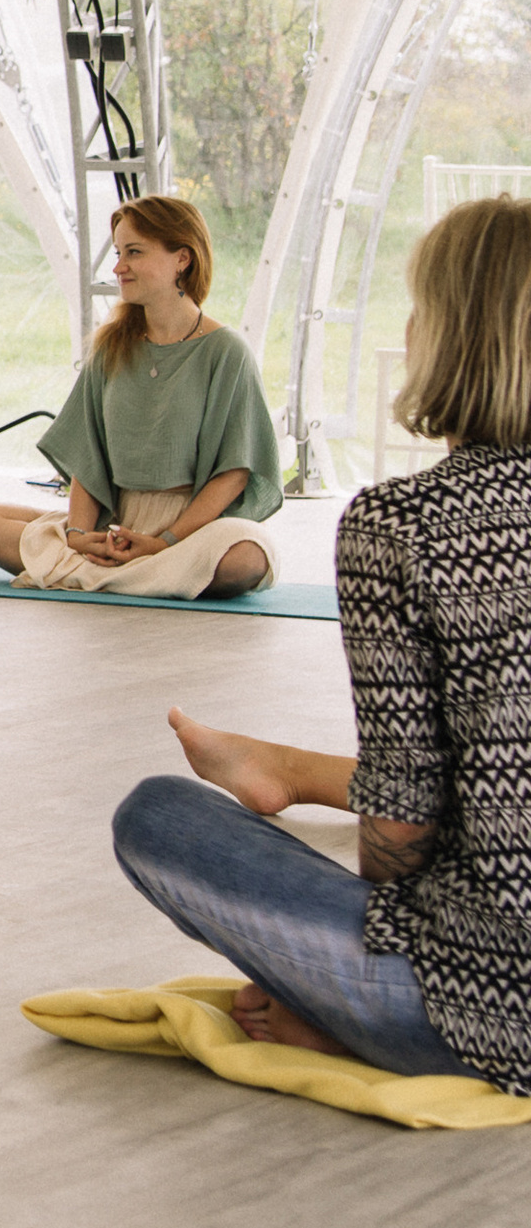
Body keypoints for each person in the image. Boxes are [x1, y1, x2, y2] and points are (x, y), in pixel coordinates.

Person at [111, 196, 531, 1086]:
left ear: (454, 335)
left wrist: (331, 988)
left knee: (156, 816)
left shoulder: (404, 525)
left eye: (419, 308)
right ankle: (292, 774)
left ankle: (353, 1018)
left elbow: (400, 829)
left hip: (491, 1014)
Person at [0, 194, 279, 598]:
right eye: (118, 252)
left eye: (134, 252)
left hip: (189, 533)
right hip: (113, 528)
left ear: (182, 258)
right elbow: (87, 456)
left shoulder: (226, 351)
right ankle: (137, 576)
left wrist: (165, 541)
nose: (118, 267)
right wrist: (78, 534)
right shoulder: (111, 347)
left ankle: (99, 575)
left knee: (247, 559)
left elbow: (234, 473)